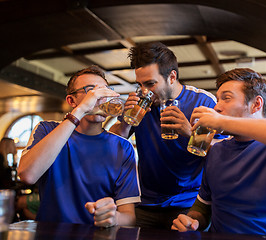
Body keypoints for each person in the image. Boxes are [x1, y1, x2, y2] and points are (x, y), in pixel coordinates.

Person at [171, 68, 266, 237]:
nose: (216, 107)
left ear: (256, 104)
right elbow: (202, 207)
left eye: (226, 98)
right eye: (217, 99)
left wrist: (223, 122)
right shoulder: (216, 151)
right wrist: (193, 221)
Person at [110, 42, 218, 229]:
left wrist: (189, 132)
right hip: (145, 201)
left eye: (151, 84)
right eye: (140, 84)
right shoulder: (140, 103)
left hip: (188, 203)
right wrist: (125, 121)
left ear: (172, 76)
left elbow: (221, 154)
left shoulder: (203, 101)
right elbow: (113, 143)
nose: (145, 91)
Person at [18, 65, 140, 227]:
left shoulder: (122, 147)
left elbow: (129, 218)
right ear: (71, 100)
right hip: (50, 233)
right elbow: (28, 175)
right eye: (90, 91)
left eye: (103, 91)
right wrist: (81, 110)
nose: (98, 96)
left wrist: (113, 217)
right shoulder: (47, 129)